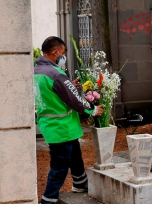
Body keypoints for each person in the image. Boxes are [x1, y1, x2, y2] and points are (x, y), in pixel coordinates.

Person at [34, 36, 103, 204]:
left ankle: (80, 183)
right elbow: (74, 100)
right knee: (59, 166)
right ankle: (48, 199)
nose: (63, 57)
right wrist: (93, 109)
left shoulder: (37, 71)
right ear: (55, 52)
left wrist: (68, 84)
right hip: (60, 127)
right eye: (63, 53)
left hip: (53, 124)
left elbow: (50, 92)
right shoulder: (56, 74)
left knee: (74, 154)